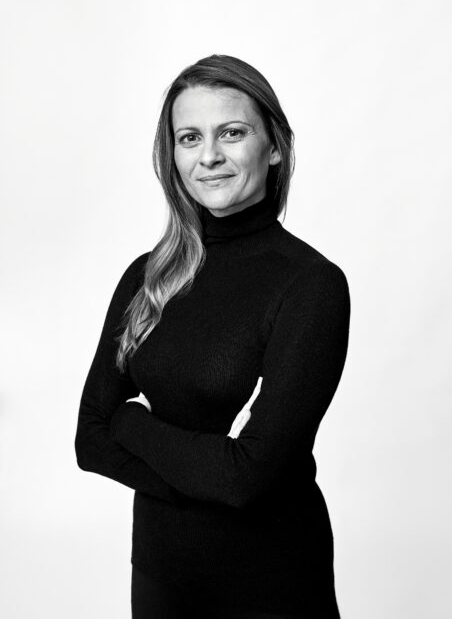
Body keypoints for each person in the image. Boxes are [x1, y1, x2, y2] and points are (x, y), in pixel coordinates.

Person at [74, 54, 351, 619]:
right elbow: (89, 441)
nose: (209, 156)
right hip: (159, 571)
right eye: (189, 138)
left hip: (270, 579)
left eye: (232, 132)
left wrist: (131, 421)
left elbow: (248, 476)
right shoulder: (148, 277)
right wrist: (212, 476)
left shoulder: (310, 285)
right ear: (172, 155)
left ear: (274, 146)